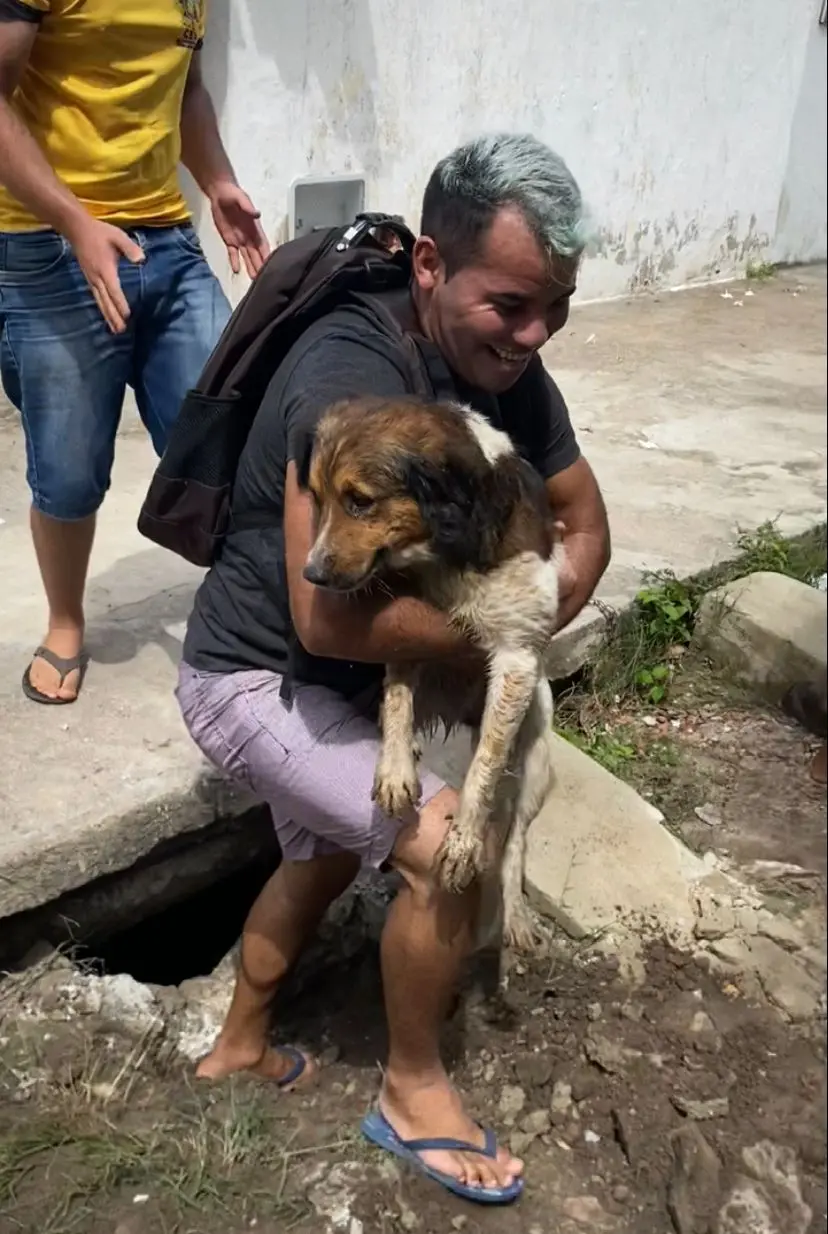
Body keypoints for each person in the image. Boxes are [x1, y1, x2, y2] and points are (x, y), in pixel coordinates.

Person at [176, 133, 611, 1203]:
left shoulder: (508, 368)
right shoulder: (347, 384)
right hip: (254, 679)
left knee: (323, 855)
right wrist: (508, 630)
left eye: (553, 305)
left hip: (343, 686)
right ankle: (413, 1092)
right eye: (509, 303)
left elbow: (585, 520)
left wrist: (534, 604)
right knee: (435, 844)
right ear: (430, 266)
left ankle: (239, 1042)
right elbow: (326, 621)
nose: (534, 332)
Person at [0, 0, 269, 705]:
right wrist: (75, 222)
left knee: (230, 430)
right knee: (68, 468)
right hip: (49, 245)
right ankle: (64, 622)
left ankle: (250, 608)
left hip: (169, 242)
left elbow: (188, 90)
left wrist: (216, 183)